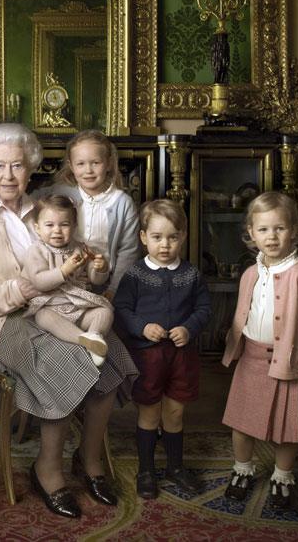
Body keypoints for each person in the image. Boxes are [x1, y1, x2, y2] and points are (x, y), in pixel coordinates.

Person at [0, 123, 138, 519]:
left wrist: (90, 271)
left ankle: (89, 461)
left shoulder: (45, 209)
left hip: (54, 308)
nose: (9, 175)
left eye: (18, 165)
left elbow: (73, 269)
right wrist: (25, 291)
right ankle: (46, 468)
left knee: (111, 352)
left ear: (31, 168)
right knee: (65, 358)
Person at [220, 191, 298, 509]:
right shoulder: (249, 274)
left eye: (279, 228)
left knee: (287, 428)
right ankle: (242, 470)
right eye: (263, 229)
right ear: (251, 234)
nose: (271, 236)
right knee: (242, 423)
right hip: (252, 359)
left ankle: (282, 475)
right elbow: (242, 314)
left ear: (294, 231)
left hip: (289, 363)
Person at [113, 199, 211, 500]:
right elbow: (122, 309)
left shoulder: (191, 275)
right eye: (157, 237)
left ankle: (175, 467)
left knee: (175, 411)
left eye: (172, 237)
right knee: (149, 412)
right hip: (148, 357)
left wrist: (189, 328)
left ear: (182, 236)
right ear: (143, 237)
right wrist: (142, 327)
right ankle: (146, 469)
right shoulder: (135, 274)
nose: (165, 245)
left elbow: (204, 308)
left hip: (181, 357)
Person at [36, 129, 140, 298]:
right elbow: (28, 201)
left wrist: (114, 290)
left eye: (95, 163)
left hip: (103, 281)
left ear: (108, 163)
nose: (88, 170)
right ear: (71, 166)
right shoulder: (61, 193)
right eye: (81, 164)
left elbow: (128, 253)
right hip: (64, 278)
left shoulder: (122, 203)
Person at [21, 195, 114, 367]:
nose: (57, 230)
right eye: (49, 225)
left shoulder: (81, 249)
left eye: (64, 224)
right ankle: (84, 341)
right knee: (42, 316)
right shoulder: (36, 251)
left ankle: (94, 336)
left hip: (79, 307)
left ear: (74, 226)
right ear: (37, 228)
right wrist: (63, 271)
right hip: (50, 305)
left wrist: (100, 268)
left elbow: (96, 281)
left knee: (105, 312)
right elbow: (39, 282)